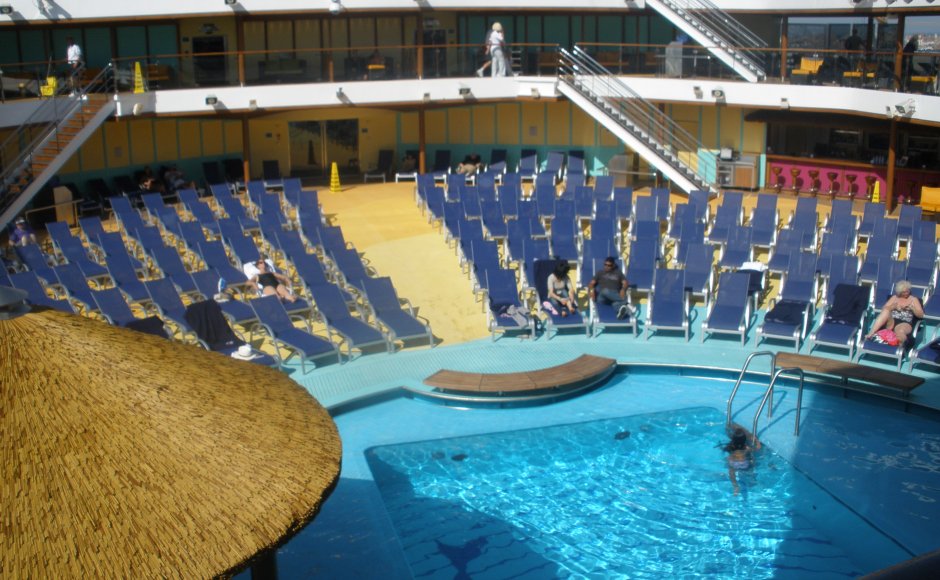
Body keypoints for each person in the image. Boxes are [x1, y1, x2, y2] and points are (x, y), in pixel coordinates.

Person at [865, 280, 923, 346]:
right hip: (892, 322)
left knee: (900, 331)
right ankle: (871, 333)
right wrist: (893, 307)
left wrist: (913, 309)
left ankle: (900, 346)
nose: (907, 293)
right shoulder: (894, 298)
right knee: (885, 312)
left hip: (905, 323)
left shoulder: (913, 299)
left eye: (908, 291)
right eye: (904, 292)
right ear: (899, 292)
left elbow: (921, 315)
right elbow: (884, 309)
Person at [723, 424, 760, 495]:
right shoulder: (746, 448)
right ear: (744, 440)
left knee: (731, 473)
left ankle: (735, 486)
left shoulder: (730, 446)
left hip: (733, 462)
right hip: (744, 463)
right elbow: (758, 448)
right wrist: (756, 440)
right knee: (751, 464)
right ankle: (752, 480)